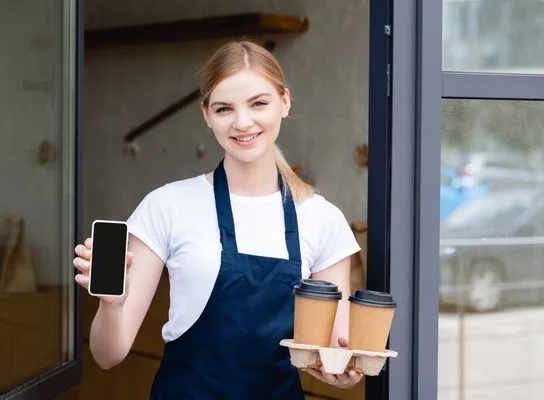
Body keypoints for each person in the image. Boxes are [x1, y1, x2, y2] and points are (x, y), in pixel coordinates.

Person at [73, 40, 363, 399]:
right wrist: (110, 304)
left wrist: (345, 372)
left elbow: (336, 352)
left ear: (284, 102)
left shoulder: (322, 219)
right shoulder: (168, 206)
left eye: (259, 103)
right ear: (206, 115)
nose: (243, 123)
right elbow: (107, 356)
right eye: (224, 108)